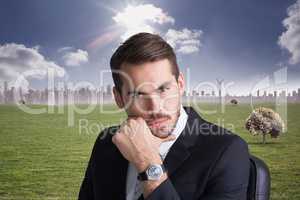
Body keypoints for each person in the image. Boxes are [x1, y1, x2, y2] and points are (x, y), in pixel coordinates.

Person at [78, 32, 250, 200]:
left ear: (180, 84)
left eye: (163, 89)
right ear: (119, 98)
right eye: (138, 94)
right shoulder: (106, 142)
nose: (155, 107)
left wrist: (147, 163)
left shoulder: (227, 150)